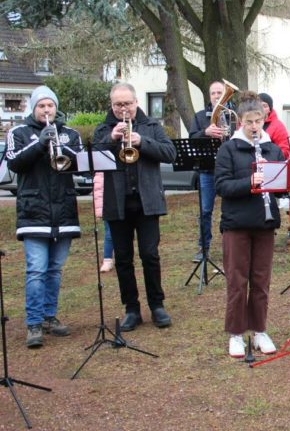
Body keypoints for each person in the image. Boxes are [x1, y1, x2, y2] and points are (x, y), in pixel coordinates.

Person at [93, 82, 177, 332]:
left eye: (127, 104)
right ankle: (131, 308)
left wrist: (141, 141)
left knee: (150, 255)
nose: (123, 109)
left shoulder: (151, 126)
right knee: (123, 259)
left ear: (136, 102)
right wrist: (111, 139)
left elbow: (170, 153)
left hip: (147, 201)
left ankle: (157, 305)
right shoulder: (103, 129)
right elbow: (93, 156)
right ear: (112, 105)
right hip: (116, 203)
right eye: (118, 105)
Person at [6, 85, 81, 348]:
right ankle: (34, 323)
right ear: (33, 108)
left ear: (56, 107)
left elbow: (80, 163)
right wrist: (40, 143)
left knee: (55, 270)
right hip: (33, 211)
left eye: (50, 106)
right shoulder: (19, 132)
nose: (46, 110)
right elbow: (14, 163)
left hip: (64, 211)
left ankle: (50, 316)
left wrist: (59, 143)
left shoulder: (70, 133)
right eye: (41, 106)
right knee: (36, 270)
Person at [215, 92, 284, 358]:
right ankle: (235, 333)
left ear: (264, 119)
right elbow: (222, 185)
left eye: (258, 121)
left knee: (261, 280)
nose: (255, 127)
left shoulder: (272, 149)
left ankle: (259, 330)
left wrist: (279, 180)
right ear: (240, 122)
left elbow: (280, 187)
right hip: (237, 224)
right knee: (237, 279)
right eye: (249, 122)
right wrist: (250, 183)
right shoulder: (229, 149)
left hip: (264, 223)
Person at [189, 81, 235, 262]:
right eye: (214, 93)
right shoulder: (200, 117)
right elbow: (192, 138)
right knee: (205, 210)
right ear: (209, 96)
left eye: (220, 92)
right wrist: (205, 132)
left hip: (230, 170)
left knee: (230, 209)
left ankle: (231, 245)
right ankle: (203, 247)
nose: (217, 96)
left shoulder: (234, 115)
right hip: (207, 170)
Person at [258, 92, 290, 159]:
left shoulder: (278, 126)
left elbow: (284, 150)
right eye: (258, 106)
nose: (261, 109)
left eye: (264, 106)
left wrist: (269, 159)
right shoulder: (249, 124)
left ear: (270, 109)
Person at [94, 172, 115, 273]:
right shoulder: (100, 174)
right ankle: (107, 259)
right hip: (108, 206)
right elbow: (98, 192)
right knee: (109, 233)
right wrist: (100, 210)